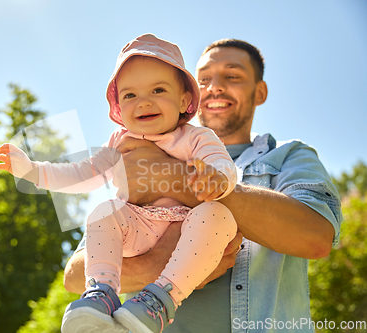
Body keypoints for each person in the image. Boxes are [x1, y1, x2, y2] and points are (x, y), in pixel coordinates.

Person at [64, 39, 343, 333]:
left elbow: (316, 236)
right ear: (190, 93)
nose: (215, 87)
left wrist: (171, 177)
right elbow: (74, 276)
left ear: (260, 92)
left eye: (232, 76)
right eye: (205, 79)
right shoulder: (133, 150)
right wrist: (160, 265)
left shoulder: (289, 155)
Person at [0, 34, 240, 333]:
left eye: (158, 89)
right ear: (119, 108)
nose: (143, 101)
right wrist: (32, 170)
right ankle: (102, 293)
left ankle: (160, 300)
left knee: (219, 215)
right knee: (104, 211)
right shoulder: (119, 144)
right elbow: (79, 174)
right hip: (139, 227)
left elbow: (223, 165)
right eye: (130, 95)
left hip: (189, 227)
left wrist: (217, 178)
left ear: (185, 99)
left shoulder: (197, 137)